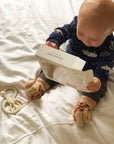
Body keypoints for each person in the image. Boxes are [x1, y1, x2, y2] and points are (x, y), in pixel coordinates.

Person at [25, 0, 114, 127]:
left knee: (98, 87)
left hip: (91, 72)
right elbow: (61, 32)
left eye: (93, 39)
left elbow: (106, 65)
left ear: (109, 31)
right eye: (81, 34)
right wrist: (53, 42)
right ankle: (40, 84)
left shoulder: (109, 44)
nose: (85, 41)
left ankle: (85, 105)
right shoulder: (77, 23)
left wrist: (98, 79)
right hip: (70, 61)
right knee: (52, 68)